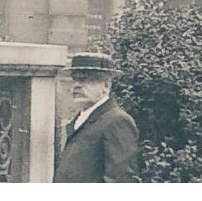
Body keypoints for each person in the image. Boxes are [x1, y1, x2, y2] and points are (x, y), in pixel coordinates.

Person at [55, 53, 139, 183]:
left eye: (86, 80)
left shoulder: (117, 121)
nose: (77, 85)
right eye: (75, 79)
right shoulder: (80, 119)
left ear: (106, 86)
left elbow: (120, 180)